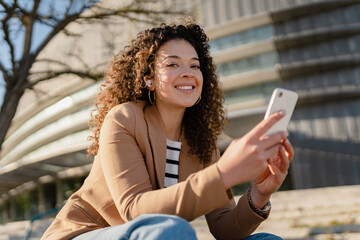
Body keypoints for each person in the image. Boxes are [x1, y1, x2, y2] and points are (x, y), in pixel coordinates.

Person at [41, 16, 294, 240]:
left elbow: (223, 228)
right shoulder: (124, 118)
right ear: (148, 78)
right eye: (173, 64)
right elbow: (134, 210)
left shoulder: (202, 141)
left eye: (194, 66)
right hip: (85, 233)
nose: (187, 72)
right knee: (171, 231)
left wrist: (260, 194)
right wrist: (224, 173)